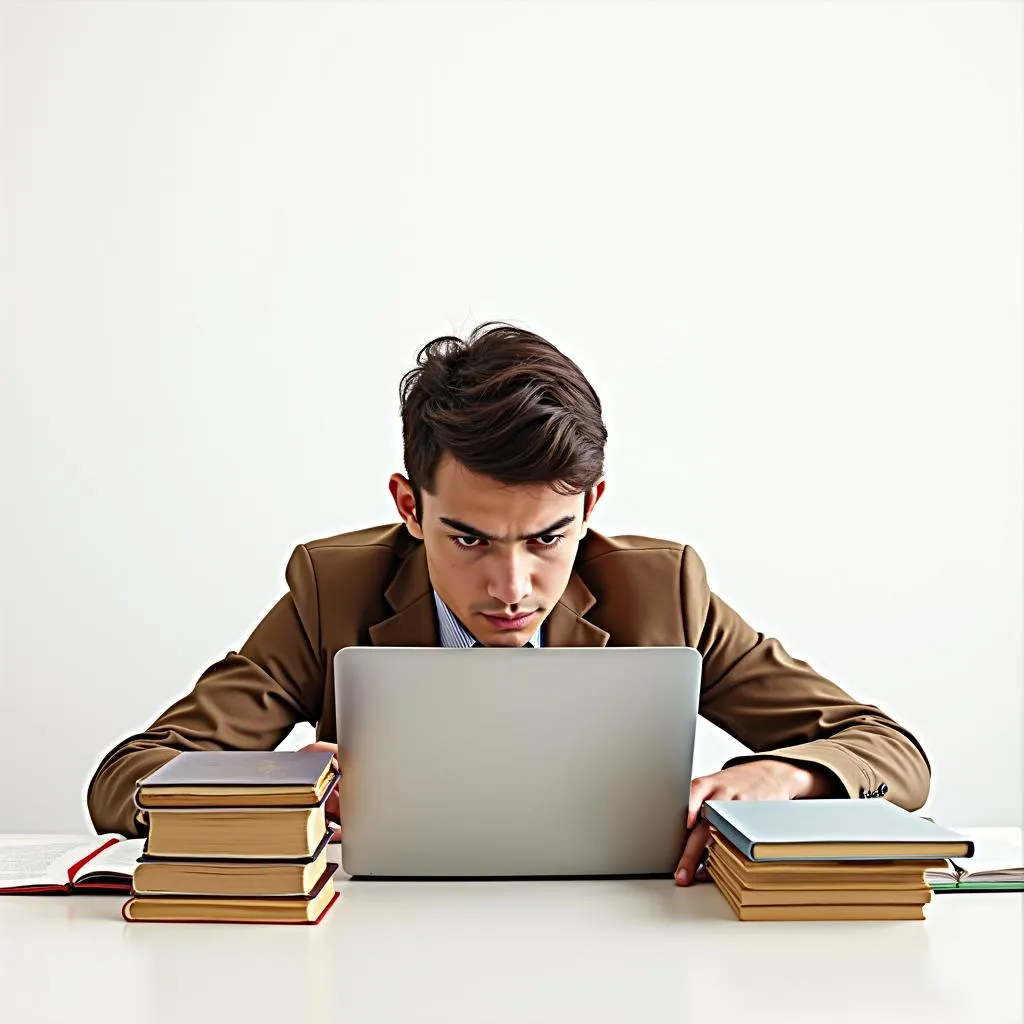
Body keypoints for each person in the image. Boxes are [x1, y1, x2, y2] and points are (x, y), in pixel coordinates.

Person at [86, 322, 930, 886]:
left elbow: (891, 753)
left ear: (592, 505)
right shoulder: (330, 588)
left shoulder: (664, 588)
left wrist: (784, 774)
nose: (513, 587)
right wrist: (290, 783)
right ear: (409, 507)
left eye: (548, 538)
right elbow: (126, 779)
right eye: (469, 539)